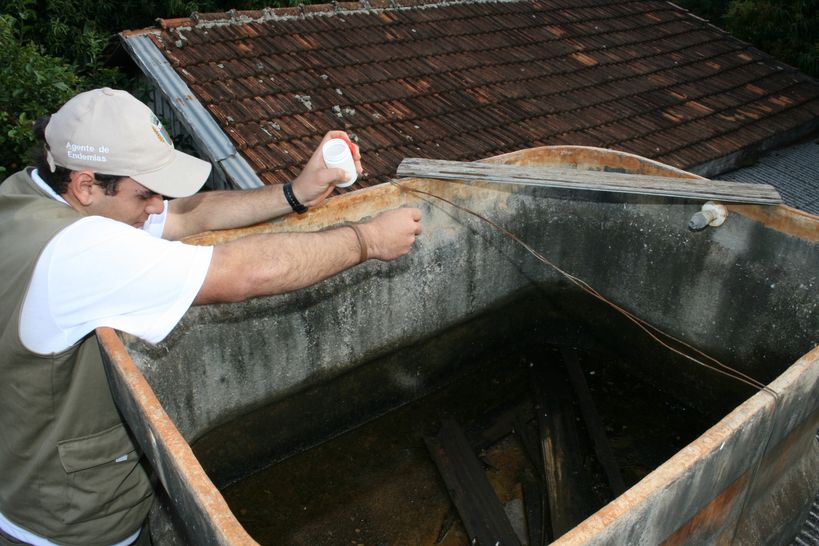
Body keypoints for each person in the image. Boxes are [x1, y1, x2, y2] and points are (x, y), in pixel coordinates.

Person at [0, 87, 423, 546]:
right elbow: (244, 272)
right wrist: (367, 240)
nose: (158, 206)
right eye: (146, 194)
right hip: (69, 528)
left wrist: (295, 193)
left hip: (31, 477)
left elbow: (188, 216)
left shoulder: (29, 196)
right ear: (85, 185)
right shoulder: (80, 251)